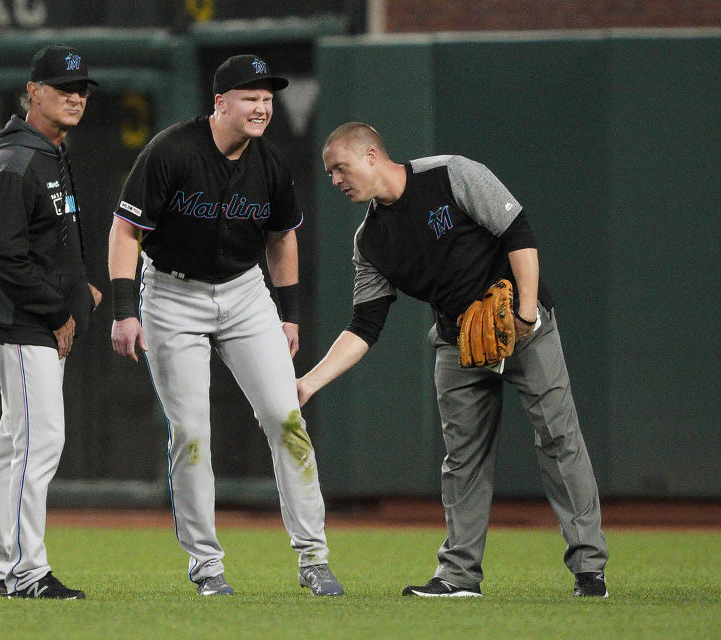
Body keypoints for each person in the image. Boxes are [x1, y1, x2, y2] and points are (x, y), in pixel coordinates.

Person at [299, 122, 609, 598]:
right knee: (462, 460)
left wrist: (526, 314)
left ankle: (590, 570)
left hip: (522, 326)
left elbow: (517, 231)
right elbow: (364, 326)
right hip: (456, 340)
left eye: (339, 169)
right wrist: (309, 384)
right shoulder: (370, 243)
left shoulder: (449, 175)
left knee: (559, 438)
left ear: (370, 155)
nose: (336, 181)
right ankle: (459, 575)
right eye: (329, 174)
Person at [108, 54, 343, 597]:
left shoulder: (270, 164)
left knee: (286, 418)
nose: (262, 107)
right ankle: (206, 564)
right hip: (171, 292)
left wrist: (288, 315)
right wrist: (124, 309)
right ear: (220, 102)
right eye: (250, 97)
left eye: (267, 98)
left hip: (244, 292)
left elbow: (283, 239)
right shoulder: (171, 150)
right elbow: (126, 231)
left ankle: (314, 557)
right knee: (190, 431)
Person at [0, 44, 101, 600]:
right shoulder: (15, 161)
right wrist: (58, 308)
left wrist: (77, 289)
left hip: (33, 320)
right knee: (37, 445)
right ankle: (27, 572)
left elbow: (47, 243)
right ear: (33, 93)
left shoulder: (48, 152)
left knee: (15, 447)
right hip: (20, 323)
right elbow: (3, 255)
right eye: (62, 87)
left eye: (81, 89)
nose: (74, 96)